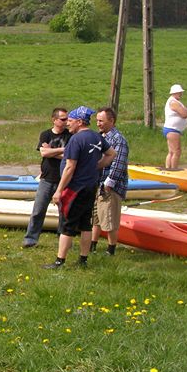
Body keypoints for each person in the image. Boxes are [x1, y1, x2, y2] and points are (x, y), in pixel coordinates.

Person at [44, 106, 116, 269]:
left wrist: (58, 190)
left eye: (70, 121)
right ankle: (83, 260)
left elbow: (70, 167)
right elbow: (111, 153)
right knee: (85, 224)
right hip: (91, 186)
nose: (67, 124)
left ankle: (59, 261)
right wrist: (97, 166)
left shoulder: (76, 140)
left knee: (67, 225)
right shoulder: (96, 137)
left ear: (79, 121)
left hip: (75, 188)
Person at [22, 108, 70, 248]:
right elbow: (43, 153)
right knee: (38, 210)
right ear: (54, 120)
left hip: (64, 180)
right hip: (46, 179)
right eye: (62, 119)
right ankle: (30, 239)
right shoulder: (45, 134)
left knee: (64, 213)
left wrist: (51, 151)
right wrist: (62, 150)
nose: (66, 121)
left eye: (67, 119)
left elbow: (69, 156)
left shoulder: (70, 135)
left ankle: (63, 240)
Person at [90, 107, 129, 256]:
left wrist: (109, 183)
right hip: (97, 183)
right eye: (97, 121)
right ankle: (93, 244)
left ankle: (111, 249)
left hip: (110, 187)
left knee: (109, 218)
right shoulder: (99, 137)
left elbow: (119, 163)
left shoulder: (118, 139)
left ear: (111, 121)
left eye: (101, 121)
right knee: (96, 216)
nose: (98, 124)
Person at [163, 84, 187, 169]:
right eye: (179, 92)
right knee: (176, 151)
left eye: (181, 92)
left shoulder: (174, 101)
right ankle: (174, 169)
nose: (181, 94)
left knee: (171, 152)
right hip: (173, 129)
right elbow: (184, 114)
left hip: (172, 129)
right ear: (174, 93)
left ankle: (168, 168)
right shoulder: (174, 102)